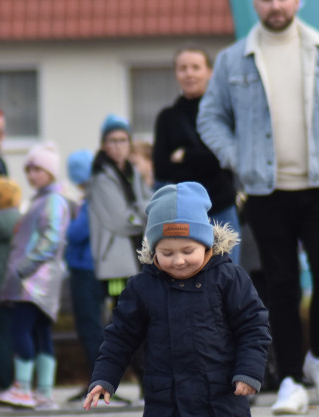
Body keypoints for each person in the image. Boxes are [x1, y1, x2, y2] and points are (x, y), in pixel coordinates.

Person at [83, 182, 271, 417]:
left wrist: (248, 371)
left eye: (188, 251)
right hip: (173, 395)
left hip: (222, 393)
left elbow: (254, 326)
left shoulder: (228, 278)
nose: (179, 260)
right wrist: (104, 378)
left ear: (207, 245)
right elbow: (120, 337)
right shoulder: (143, 288)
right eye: (167, 252)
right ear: (153, 250)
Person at [197, 0, 319, 414]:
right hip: (265, 191)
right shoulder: (233, 59)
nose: (276, 5)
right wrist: (237, 158)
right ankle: (290, 378)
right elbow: (210, 118)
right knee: (281, 285)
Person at [0, 143, 70, 410]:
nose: (31, 175)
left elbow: (52, 239)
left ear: (50, 171)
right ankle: (44, 392)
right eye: (29, 170)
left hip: (34, 281)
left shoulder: (51, 200)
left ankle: (22, 387)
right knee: (40, 332)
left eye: (37, 169)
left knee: (20, 329)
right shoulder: (46, 199)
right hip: (40, 279)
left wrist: (23, 267)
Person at [153, 45, 242, 267]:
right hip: (183, 214)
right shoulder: (167, 117)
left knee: (226, 273)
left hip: (221, 208)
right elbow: (161, 168)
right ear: (176, 73)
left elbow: (224, 160)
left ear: (209, 72)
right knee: (186, 274)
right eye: (183, 68)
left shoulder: (223, 115)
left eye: (195, 67)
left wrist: (185, 155)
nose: (189, 74)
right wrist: (205, 158)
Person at [88, 114, 152, 393]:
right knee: (124, 319)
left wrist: (140, 212)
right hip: (115, 265)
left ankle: (146, 377)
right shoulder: (101, 178)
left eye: (123, 140)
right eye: (112, 141)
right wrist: (143, 213)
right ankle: (138, 376)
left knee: (140, 318)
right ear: (103, 144)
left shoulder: (131, 172)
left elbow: (148, 203)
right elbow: (120, 220)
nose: (118, 146)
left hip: (136, 259)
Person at [63, 149, 105, 387]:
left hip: (85, 268)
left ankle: (97, 381)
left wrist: (67, 226)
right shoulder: (94, 198)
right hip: (92, 267)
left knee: (89, 326)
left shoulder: (91, 201)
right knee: (93, 324)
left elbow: (76, 233)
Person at [0, 176, 23, 395]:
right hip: (20, 285)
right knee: (22, 333)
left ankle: (4, 382)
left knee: (2, 335)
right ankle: (23, 383)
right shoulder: (23, 220)